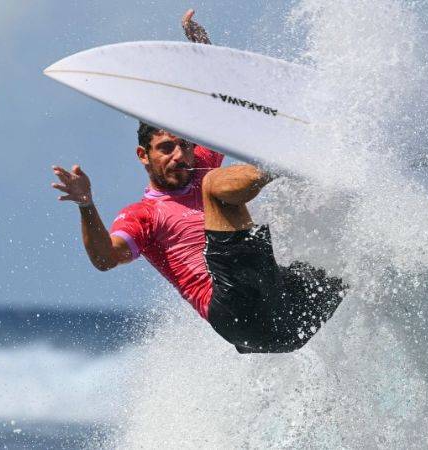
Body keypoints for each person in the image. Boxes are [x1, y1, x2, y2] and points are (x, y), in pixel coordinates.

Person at [51, 10, 344, 353]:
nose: (180, 156)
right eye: (166, 148)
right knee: (215, 187)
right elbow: (106, 258)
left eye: (185, 145)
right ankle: (288, 160)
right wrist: (87, 205)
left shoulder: (196, 163)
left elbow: (220, 113)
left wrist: (207, 57)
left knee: (346, 265)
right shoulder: (144, 215)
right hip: (236, 315)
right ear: (143, 155)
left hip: (284, 322)